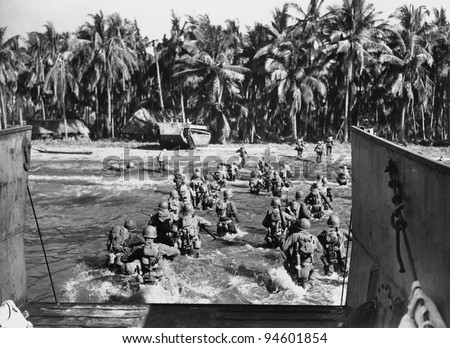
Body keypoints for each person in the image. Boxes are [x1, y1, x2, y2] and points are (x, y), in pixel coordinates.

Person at [279, 218, 321, 289]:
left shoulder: (294, 236)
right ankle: (308, 285)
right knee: (306, 286)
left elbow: (283, 248)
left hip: (295, 269)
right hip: (307, 270)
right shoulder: (313, 237)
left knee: (293, 287)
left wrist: (282, 237)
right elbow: (320, 250)